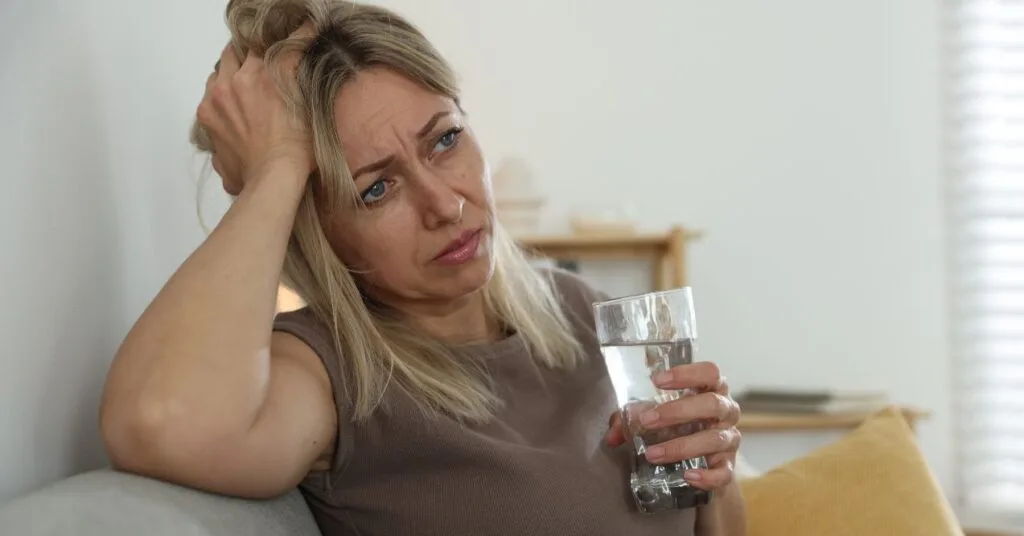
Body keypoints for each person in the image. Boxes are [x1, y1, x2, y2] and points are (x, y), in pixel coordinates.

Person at [98, 1, 746, 534]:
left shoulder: (584, 308)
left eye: (444, 139)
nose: (444, 204)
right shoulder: (334, 378)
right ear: (319, 231)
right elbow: (160, 424)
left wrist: (715, 473)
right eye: (376, 189)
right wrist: (277, 168)